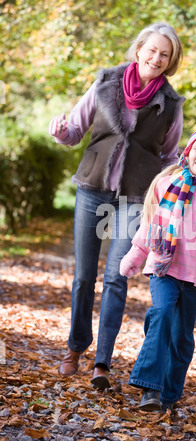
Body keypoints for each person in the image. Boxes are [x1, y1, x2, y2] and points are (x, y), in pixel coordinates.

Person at [48, 23, 185, 389]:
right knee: (83, 277)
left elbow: (169, 157)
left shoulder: (171, 105)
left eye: (165, 54)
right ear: (138, 48)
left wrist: (168, 193)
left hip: (134, 199)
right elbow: (74, 132)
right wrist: (60, 130)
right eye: (152, 50)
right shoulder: (105, 83)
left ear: (170, 62)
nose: (156, 58)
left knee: (116, 277)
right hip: (92, 189)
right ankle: (76, 348)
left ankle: (102, 363)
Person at [120, 122, 196, 411]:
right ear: (187, 154)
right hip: (163, 267)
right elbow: (150, 225)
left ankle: (170, 394)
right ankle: (150, 388)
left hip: (195, 276)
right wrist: (136, 255)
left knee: (182, 337)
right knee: (160, 313)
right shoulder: (166, 185)